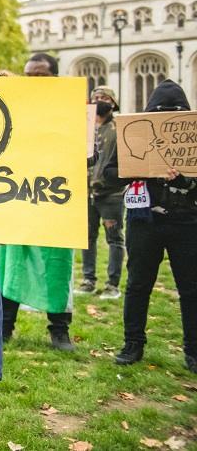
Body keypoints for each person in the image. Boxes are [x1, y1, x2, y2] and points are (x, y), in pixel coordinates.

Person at [107, 80, 197, 373]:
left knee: (191, 287)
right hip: (144, 221)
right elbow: (109, 174)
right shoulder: (135, 136)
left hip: (187, 222)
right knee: (137, 285)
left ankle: (193, 351)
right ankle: (133, 343)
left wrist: (186, 182)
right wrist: (141, 170)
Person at [0, 53, 75, 351]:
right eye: (29, 75)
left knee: (57, 263)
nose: (34, 81)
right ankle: (5, 325)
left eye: (41, 75)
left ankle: (59, 329)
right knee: (11, 262)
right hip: (17, 194)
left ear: (55, 77)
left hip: (56, 199)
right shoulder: (14, 109)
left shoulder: (70, 110)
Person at [79, 86, 124, 299]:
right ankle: (88, 280)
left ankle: (112, 285)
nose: (99, 100)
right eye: (95, 97)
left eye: (104, 97)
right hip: (86, 192)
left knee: (114, 239)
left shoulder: (119, 128)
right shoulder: (84, 127)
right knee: (87, 238)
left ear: (113, 103)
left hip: (111, 194)